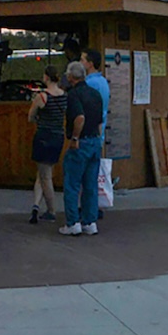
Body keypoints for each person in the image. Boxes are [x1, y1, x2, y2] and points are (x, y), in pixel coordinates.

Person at [60, 61, 105, 236]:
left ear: (71, 77)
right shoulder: (95, 94)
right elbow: (100, 121)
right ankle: (90, 221)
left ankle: (72, 223)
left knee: (72, 183)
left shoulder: (73, 95)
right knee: (90, 184)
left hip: (81, 142)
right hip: (94, 140)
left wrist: (75, 138)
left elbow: (79, 118)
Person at [26, 66, 68, 226]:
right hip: (58, 136)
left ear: (46, 78)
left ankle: (51, 210)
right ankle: (36, 205)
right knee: (43, 172)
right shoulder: (65, 96)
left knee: (45, 176)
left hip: (43, 136)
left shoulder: (41, 97)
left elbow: (31, 117)